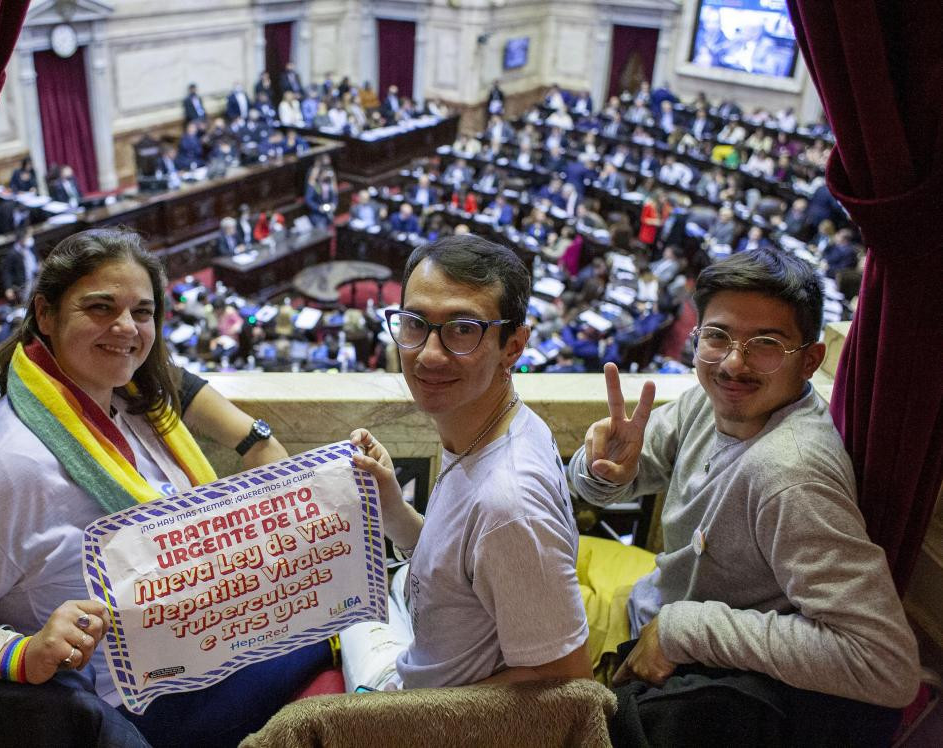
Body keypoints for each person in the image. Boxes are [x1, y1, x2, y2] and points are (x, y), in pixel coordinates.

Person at [0, 229, 329, 747]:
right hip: (144, 704)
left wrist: (256, 441)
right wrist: (21, 653)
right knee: (351, 623)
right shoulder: (9, 462)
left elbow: (172, 376)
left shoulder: (128, 392)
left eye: (142, 312)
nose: (125, 328)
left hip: (203, 641)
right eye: (100, 307)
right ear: (47, 314)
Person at [568, 249, 919, 743]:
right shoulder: (709, 400)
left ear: (810, 359)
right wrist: (600, 470)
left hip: (680, 666)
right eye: (717, 337)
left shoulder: (791, 474)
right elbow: (616, 477)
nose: (734, 363)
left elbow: (883, 662)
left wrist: (682, 630)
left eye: (766, 343)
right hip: (650, 604)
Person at [341, 234, 591, 691]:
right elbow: (455, 573)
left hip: (428, 712)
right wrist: (392, 510)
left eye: (463, 329)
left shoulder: (508, 505)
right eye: (415, 323)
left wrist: (412, 718)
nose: (430, 354)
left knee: (339, 611)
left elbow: (565, 682)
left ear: (513, 346)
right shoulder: (494, 420)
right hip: (427, 645)